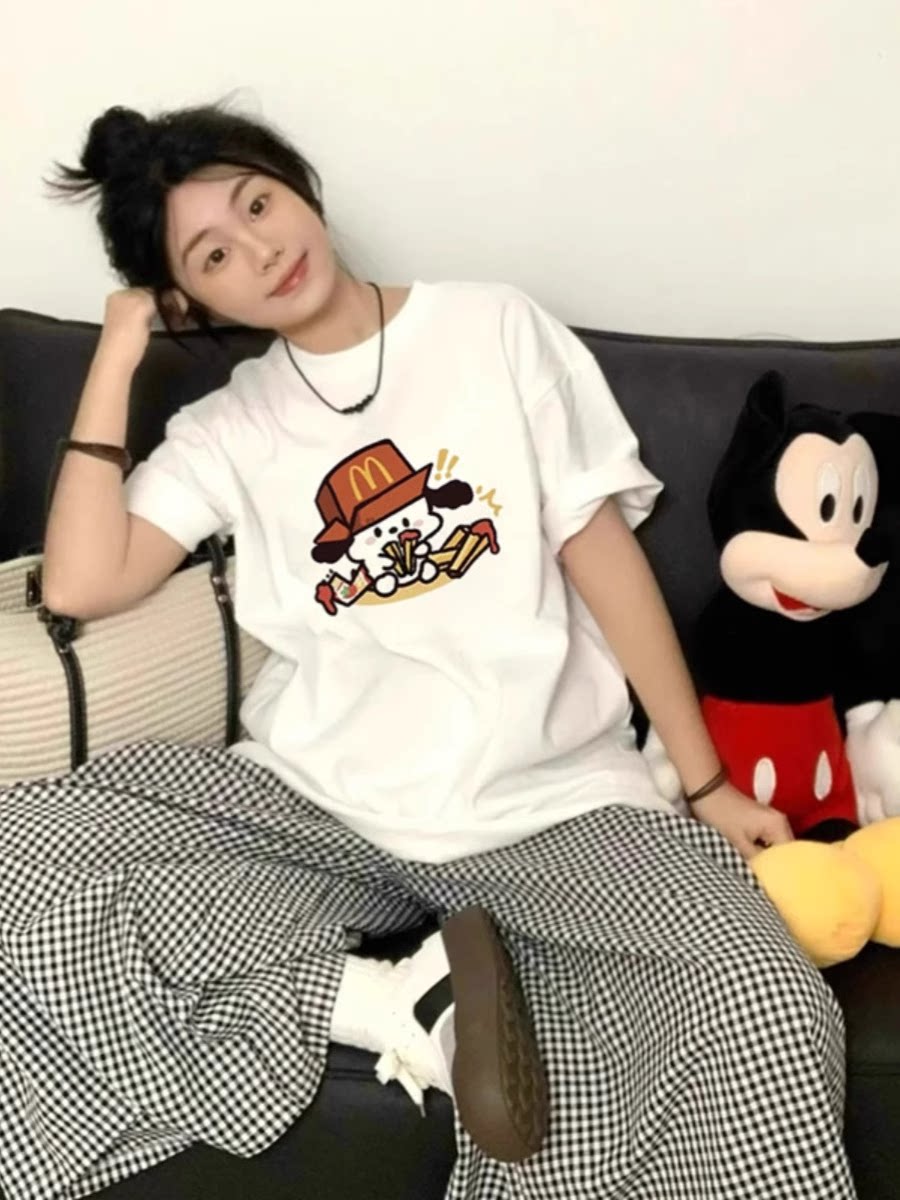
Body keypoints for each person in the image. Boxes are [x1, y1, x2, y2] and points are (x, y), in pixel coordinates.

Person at [11, 97, 853, 1199]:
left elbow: (602, 559)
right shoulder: (228, 427)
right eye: (211, 255)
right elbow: (80, 582)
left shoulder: (492, 328)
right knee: (22, 861)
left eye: (258, 204)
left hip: (549, 809)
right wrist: (118, 351)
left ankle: (421, 996)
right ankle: (389, 1001)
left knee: (768, 1001)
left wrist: (704, 784)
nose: (260, 250)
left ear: (298, 185)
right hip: (317, 808)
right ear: (188, 302)